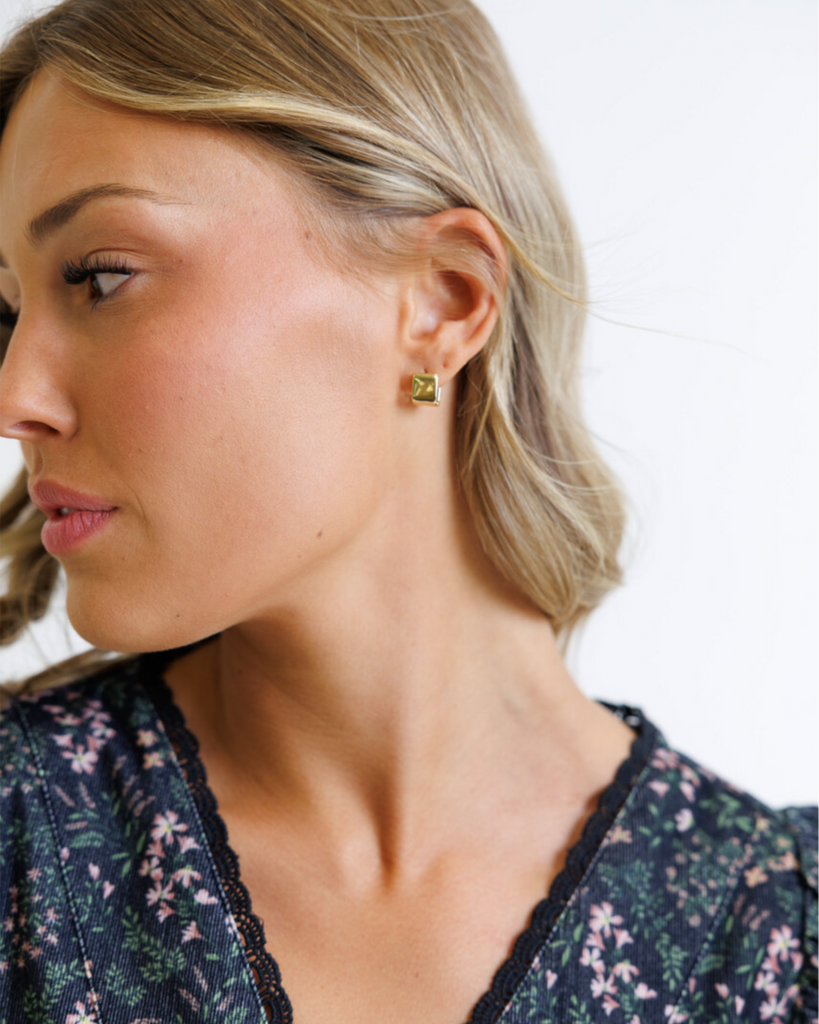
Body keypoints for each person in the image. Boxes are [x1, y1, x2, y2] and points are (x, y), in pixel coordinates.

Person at [0, 1, 815, 1022]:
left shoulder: (781, 946)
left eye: (101, 276)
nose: (13, 394)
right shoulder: (19, 845)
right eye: (7, 308)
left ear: (442, 300)